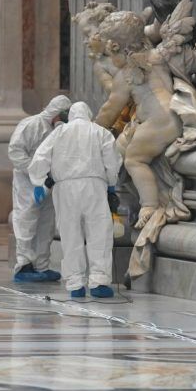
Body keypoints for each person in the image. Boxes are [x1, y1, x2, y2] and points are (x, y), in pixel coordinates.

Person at [28, 101, 120, 298]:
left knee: (70, 235)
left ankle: (75, 284)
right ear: (89, 114)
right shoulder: (99, 132)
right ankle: (98, 282)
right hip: (94, 186)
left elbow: (40, 157)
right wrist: (111, 183)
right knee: (99, 233)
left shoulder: (58, 133)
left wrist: (39, 181)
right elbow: (112, 160)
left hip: (65, 188)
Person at [8, 95, 71, 282]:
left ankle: (42, 266)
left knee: (47, 223)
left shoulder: (60, 130)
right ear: (55, 112)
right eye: (63, 114)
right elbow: (15, 152)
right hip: (27, 184)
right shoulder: (31, 125)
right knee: (26, 220)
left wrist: (47, 178)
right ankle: (24, 265)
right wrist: (36, 174)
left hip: (49, 184)